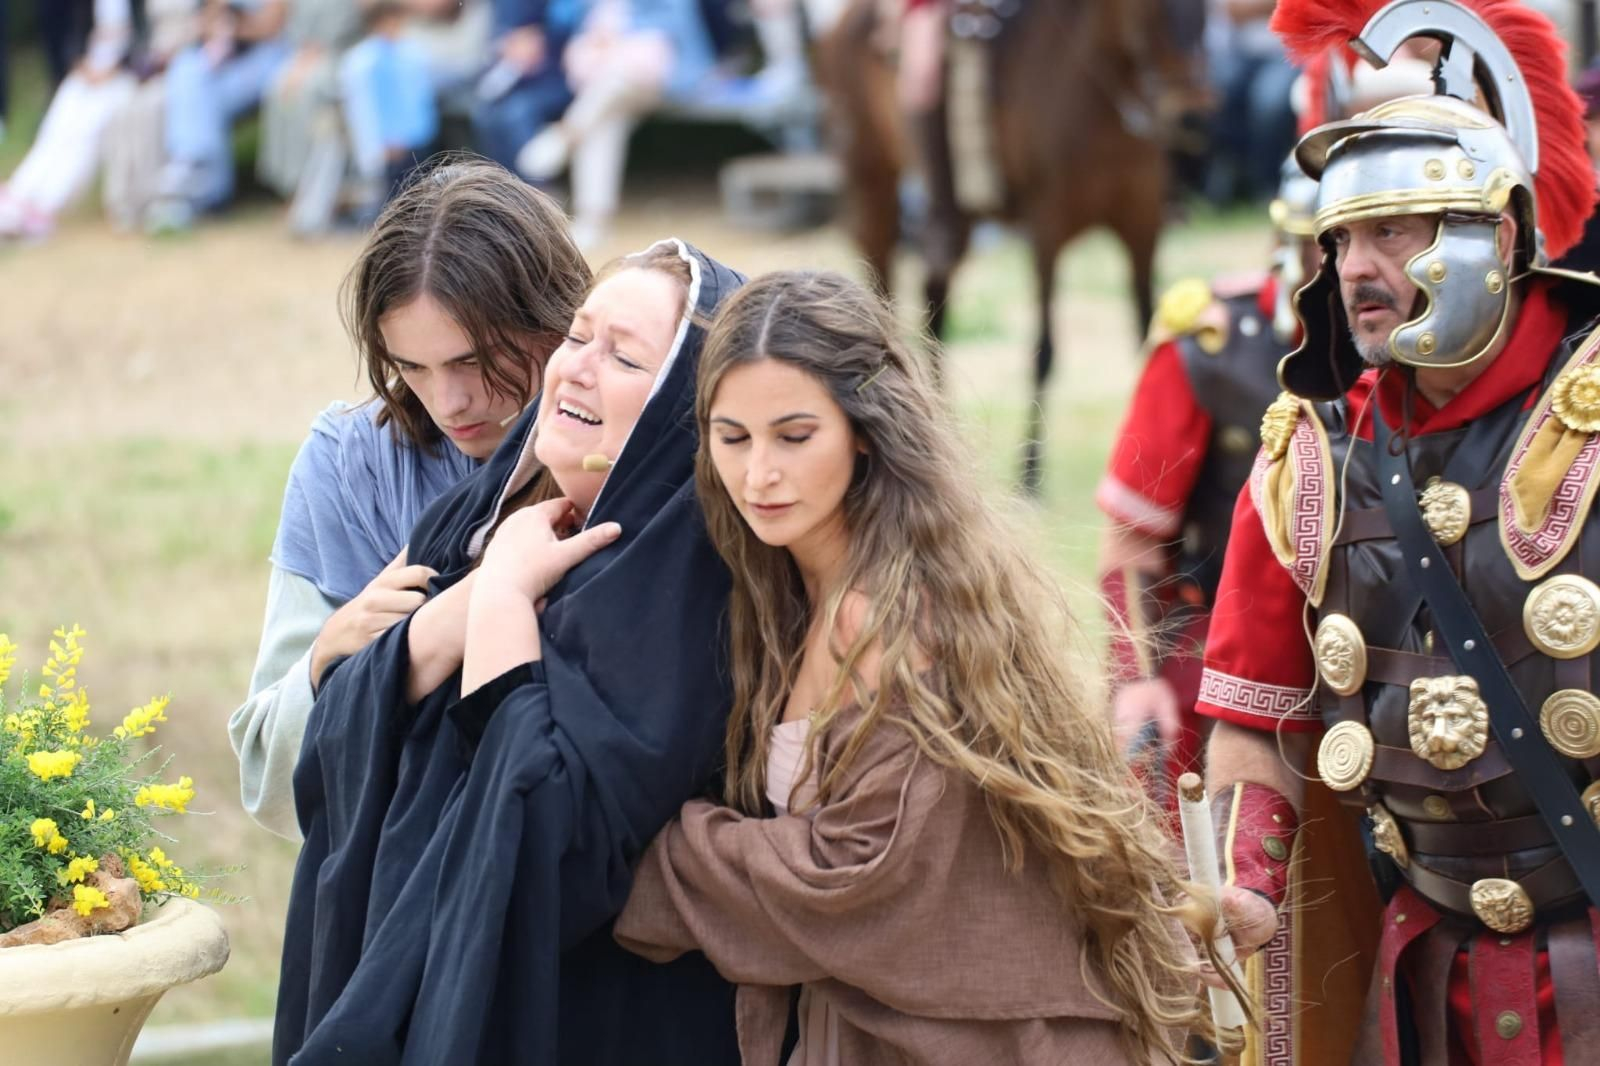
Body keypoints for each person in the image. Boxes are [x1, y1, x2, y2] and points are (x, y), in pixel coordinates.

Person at [613, 270, 1217, 1064]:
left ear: (864, 430)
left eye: (794, 437)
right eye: (733, 438)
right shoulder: (786, 588)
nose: (759, 474)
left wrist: (644, 851)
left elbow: (852, 878)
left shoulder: (889, 615)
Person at [1197, 0, 1600, 1060]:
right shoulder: (1305, 461)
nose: (1357, 270)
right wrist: (1242, 881)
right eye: (1339, 241)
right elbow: (1259, 713)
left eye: (1394, 231)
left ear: (1499, 233)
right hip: (1419, 983)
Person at [275, 239, 747, 1066]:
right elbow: (327, 758)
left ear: (683, 409)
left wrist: (500, 601)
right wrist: (437, 623)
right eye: (577, 337)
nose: (576, 369)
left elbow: (544, 850)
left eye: (624, 355)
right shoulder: (473, 522)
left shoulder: (682, 596)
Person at [229, 159, 591, 842]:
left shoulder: (628, 448)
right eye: (412, 367)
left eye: (475, 360)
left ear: (559, 321)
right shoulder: (348, 465)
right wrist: (327, 661)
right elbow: (268, 781)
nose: (450, 401)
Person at [1101, 154, 1319, 796]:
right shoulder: (1207, 346)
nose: (1354, 267)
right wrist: (1134, 681)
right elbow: (1131, 539)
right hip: (1226, 641)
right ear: (1287, 240)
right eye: (1328, 242)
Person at [514, 0, 718, 250]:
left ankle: (565, 136)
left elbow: (669, 35)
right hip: (605, 85)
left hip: (659, 77)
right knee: (604, 121)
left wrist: (617, 42)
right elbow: (570, 28)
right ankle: (594, 219)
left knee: (614, 85)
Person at [144, 0, 292, 231]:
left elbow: (272, 26)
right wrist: (215, 24)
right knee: (187, 68)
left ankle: (195, 181)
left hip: (270, 57)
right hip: (226, 60)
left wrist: (236, 25)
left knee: (200, 90)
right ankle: (193, 170)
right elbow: (202, 25)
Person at [0, 0, 137, 239]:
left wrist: (113, 70)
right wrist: (83, 67)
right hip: (87, 75)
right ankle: (20, 193)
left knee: (85, 131)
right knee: (60, 121)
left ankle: (46, 205)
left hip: (122, 80)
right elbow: (71, 41)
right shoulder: (81, 6)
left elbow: (141, 44)